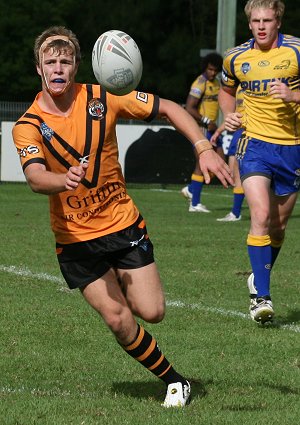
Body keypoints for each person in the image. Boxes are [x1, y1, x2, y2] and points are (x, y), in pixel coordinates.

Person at [12, 26, 233, 407]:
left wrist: (202, 147)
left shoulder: (104, 97)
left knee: (153, 312)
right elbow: (34, 177)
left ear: (78, 65)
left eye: (65, 60)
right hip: (75, 240)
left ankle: (127, 288)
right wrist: (62, 179)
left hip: (122, 225)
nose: (58, 67)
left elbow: (170, 108)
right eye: (50, 61)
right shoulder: (28, 125)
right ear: (39, 69)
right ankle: (175, 380)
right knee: (117, 318)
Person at [219, 0, 300, 324]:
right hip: (253, 145)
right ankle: (260, 298)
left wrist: (294, 96)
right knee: (261, 216)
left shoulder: (295, 51)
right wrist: (229, 114)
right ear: (249, 23)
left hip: (292, 148)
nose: (262, 26)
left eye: (268, 20)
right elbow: (226, 90)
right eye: (256, 21)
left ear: (278, 21)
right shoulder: (236, 57)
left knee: (278, 227)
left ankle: (258, 276)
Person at [181, 52, 224, 213]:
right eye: (210, 69)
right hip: (201, 129)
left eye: (215, 70)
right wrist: (206, 121)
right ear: (205, 67)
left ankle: (192, 189)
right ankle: (195, 204)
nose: (212, 72)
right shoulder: (200, 83)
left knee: (220, 164)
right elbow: (189, 107)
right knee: (201, 164)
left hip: (213, 130)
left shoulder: (217, 83)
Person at [212, 86, 245, 222]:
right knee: (233, 173)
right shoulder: (237, 87)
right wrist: (219, 131)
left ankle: (235, 213)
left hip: (248, 132)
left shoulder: (256, 85)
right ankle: (236, 212)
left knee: (237, 174)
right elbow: (234, 115)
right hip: (237, 133)